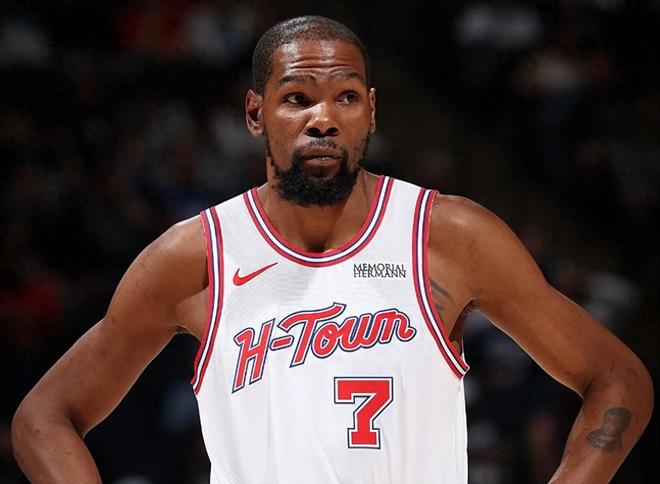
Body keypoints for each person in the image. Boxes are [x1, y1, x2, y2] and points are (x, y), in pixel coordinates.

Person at [11, 15, 653, 484]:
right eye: (297, 98)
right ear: (255, 113)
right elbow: (44, 417)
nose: (323, 117)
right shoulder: (195, 257)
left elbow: (618, 377)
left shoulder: (449, 236)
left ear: (370, 112)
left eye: (345, 97)